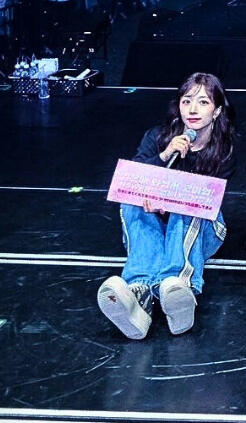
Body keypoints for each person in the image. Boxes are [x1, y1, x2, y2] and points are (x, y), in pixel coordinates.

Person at [97, 73, 236, 339]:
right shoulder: (157, 137)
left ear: (217, 110)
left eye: (203, 102)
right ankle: (138, 293)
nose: (193, 110)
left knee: (191, 201)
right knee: (132, 200)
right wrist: (164, 155)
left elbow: (211, 201)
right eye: (186, 101)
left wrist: (171, 202)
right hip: (154, 231)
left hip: (199, 231)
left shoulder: (224, 149)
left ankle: (179, 285)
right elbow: (134, 177)